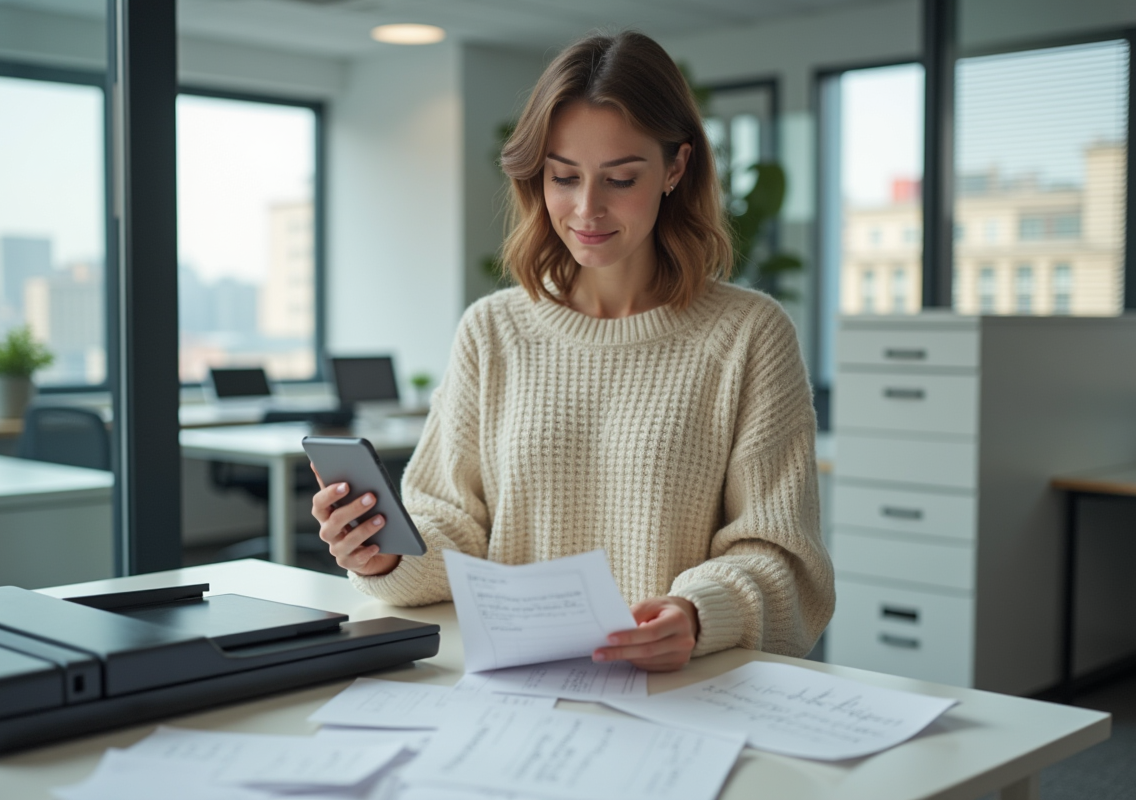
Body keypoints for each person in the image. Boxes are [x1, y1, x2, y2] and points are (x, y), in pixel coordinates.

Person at [311, 30, 834, 672]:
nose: (587, 209)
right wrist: (387, 553)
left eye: (620, 179)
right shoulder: (491, 331)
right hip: (514, 689)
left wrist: (698, 614)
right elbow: (452, 523)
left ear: (676, 168)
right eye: (564, 177)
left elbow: (782, 556)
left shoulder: (749, 335)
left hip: (679, 694)